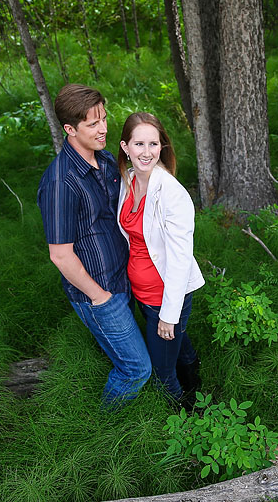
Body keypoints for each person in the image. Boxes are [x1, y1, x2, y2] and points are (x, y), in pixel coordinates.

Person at [37, 84, 151, 407]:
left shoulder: (104, 160)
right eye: (93, 124)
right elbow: (60, 255)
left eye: (104, 118)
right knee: (136, 369)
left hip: (123, 278)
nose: (104, 129)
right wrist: (99, 297)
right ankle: (106, 424)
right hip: (99, 293)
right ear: (70, 129)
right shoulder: (61, 182)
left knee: (126, 354)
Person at [117, 112, 204, 407]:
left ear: (162, 147)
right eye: (138, 143)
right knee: (179, 348)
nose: (147, 151)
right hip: (141, 293)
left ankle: (186, 419)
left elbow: (181, 259)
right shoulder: (128, 179)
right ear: (125, 147)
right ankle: (198, 389)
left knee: (162, 372)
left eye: (153, 144)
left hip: (163, 295)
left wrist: (169, 314)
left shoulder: (172, 194)